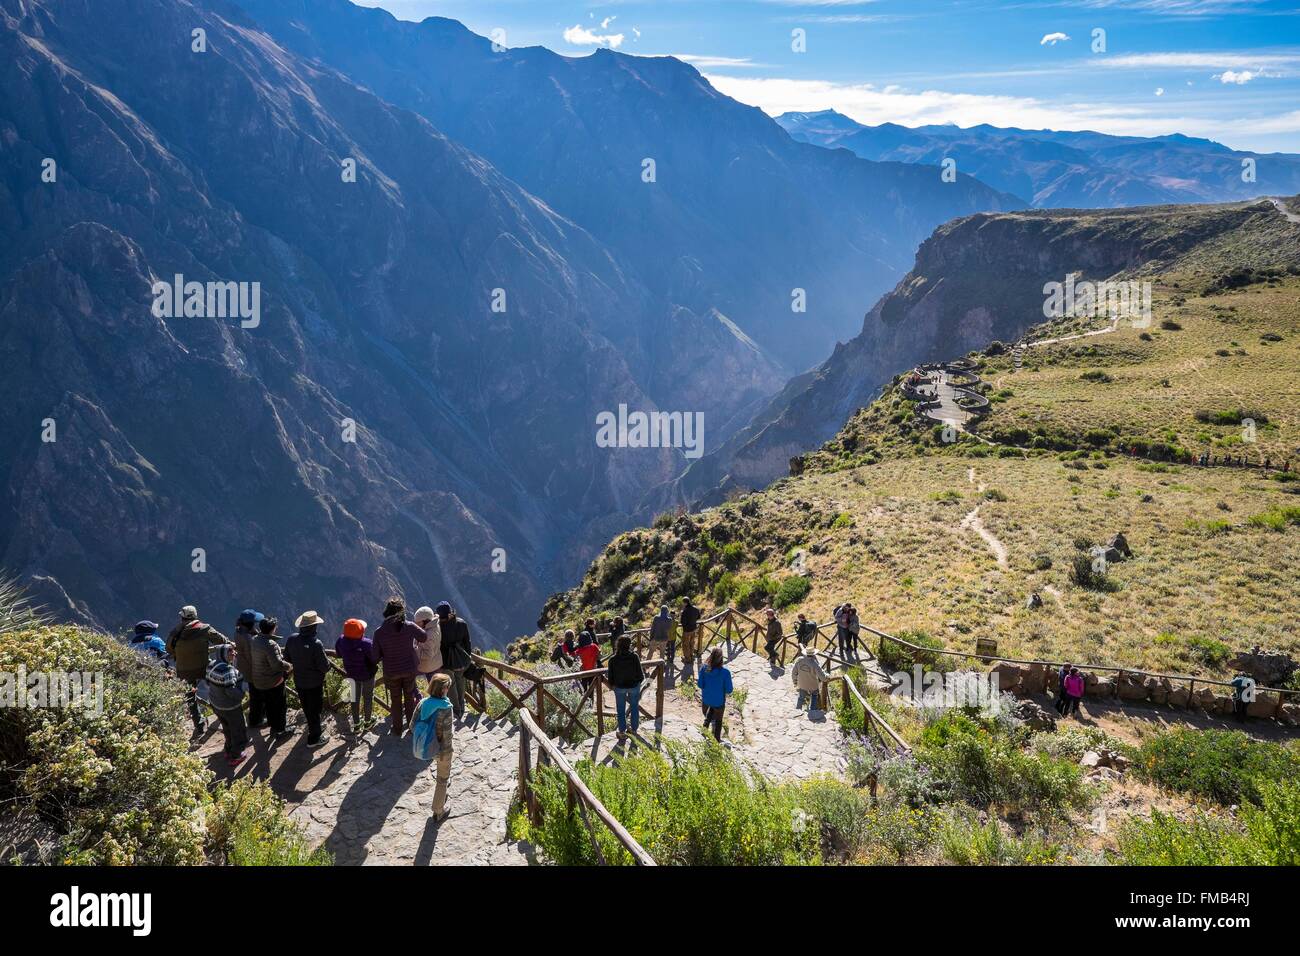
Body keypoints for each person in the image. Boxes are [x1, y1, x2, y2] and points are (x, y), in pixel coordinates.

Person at [166, 605, 228, 738]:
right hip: (203, 667)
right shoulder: (204, 628)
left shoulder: (175, 631)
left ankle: (199, 725)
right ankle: (224, 717)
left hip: (183, 670)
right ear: (195, 615)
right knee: (216, 689)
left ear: (182, 617)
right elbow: (222, 641)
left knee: (190, 697)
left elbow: (169, 649)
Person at [374, 598, 427, 736]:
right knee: (409, 698)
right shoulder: (409, 626)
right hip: (409, 669)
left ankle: (397, 728)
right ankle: (411, 726)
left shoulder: (379, 632)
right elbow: (424, 637)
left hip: (391, 671)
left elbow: (375, 656)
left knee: (395, 700)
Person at [411, 672, 455, 824]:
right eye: (448, 687)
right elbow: (447, 735)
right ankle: (438, 811)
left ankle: (441, 797)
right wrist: (447, 752)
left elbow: (412, 726)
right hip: (442, 750)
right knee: (442, 779)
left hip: (427, 747)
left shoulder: (423, 703)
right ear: (443, 690)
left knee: (441, 780)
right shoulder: (446, 708)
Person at [286, 610, 331, 748]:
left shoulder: (292, 639)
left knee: (307, 707)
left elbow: (287, 658)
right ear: (313, 627)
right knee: (315, 708)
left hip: (299, 681)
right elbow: (325, 667)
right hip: (314, 683)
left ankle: (314, 727)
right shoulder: (316, 643)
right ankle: (314, 738)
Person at [250, 617, 294, 741]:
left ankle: (273, 725)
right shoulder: (270, 644)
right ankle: (280, 730)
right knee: (280, 705)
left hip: (258, 679)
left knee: (269, 704)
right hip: (272, 681)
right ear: (273, 629)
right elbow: (277, 665)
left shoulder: (254, 640)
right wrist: (289, 665)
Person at [206, 644, 249, 766]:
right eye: (230, 651)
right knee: (238, 730)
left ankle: (228, 749)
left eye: (234, 650)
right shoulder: (228, 670)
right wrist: (242, 694)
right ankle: (236, 755)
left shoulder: (211, 665)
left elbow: (208, 682)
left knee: (227, 728)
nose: (234, 653)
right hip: (230, 707)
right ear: (224, 654)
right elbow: (231, 691)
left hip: (216, 705)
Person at [335, 618, 378, 730]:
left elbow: (338, 654)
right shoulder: (366, 643)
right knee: (368, 697)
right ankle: (368, 722)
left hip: (351, 674)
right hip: (367, 675)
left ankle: (356, 724)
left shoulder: (341, 641)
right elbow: (375, 658)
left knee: (354, 698)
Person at [437, 602, 473, 720]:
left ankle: (456, 710)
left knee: (451, 685)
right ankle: (461, 708)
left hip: (446, 661)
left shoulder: (439, 627)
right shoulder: (461, 623)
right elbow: (467, 642)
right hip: (460, 659)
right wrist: (467, 657)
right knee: (460, 682)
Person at [232, 609, 266, 728]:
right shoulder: (248, 638)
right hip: (251, 669)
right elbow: (251, 655)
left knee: (255, 693)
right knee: (258, 694)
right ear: (250, 623)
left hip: (242, 666)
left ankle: (256, 717)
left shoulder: (238, 631)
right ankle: (256, 719)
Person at [607, 636, 644, 740]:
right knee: (634, 707)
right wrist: (639, 683)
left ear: (618, 645)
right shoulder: (634, 656)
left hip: (619, 687)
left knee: (620, 710)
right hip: (633, 686)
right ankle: (634, 729)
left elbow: (610, 676)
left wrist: (612, 685)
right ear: (629, 645)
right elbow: (640, 674)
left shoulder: (613, 659)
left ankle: (622, 731)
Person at [697, 647, 733, 742]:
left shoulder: (704, 668)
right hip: (719, 701)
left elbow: (700, 684)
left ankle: (704, 730)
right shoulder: (725, 673)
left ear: (711, 656)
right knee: (718, 720)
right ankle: (716, 740)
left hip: (706, 700)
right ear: (721, 658)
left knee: (710, 711)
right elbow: (729, 690)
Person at [413, 606, 444, 691]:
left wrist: (415, 649)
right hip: (436, 662)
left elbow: (427, 654)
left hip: (427, 665)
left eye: (418, 622)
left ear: (425, 621)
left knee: (408, 676)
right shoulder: (435, 625)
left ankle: (416, 698)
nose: (416, 624)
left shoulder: (427, 635)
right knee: (437, 692)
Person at [791, 644, 827, 712]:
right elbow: (823, 678)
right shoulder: (814, 664)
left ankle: (797, 711)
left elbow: (793, 673)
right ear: (814, 654)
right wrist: (827, 676)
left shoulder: (799, 660)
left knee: (801, 698)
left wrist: (795, 682)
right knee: (814, 696)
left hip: (802, 684)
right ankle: (812, 711)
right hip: (813, 685)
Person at [680, 598, 701, 669]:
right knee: (692, 643)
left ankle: (687, 659)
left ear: (685, 603)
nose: (682, 604)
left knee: (685, 644)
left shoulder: (684, 611)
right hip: (693, 629)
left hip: (686, 630)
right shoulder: (695, 609)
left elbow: (682, 622)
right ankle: (691, 656)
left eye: (683, 603)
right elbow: (698, 617)